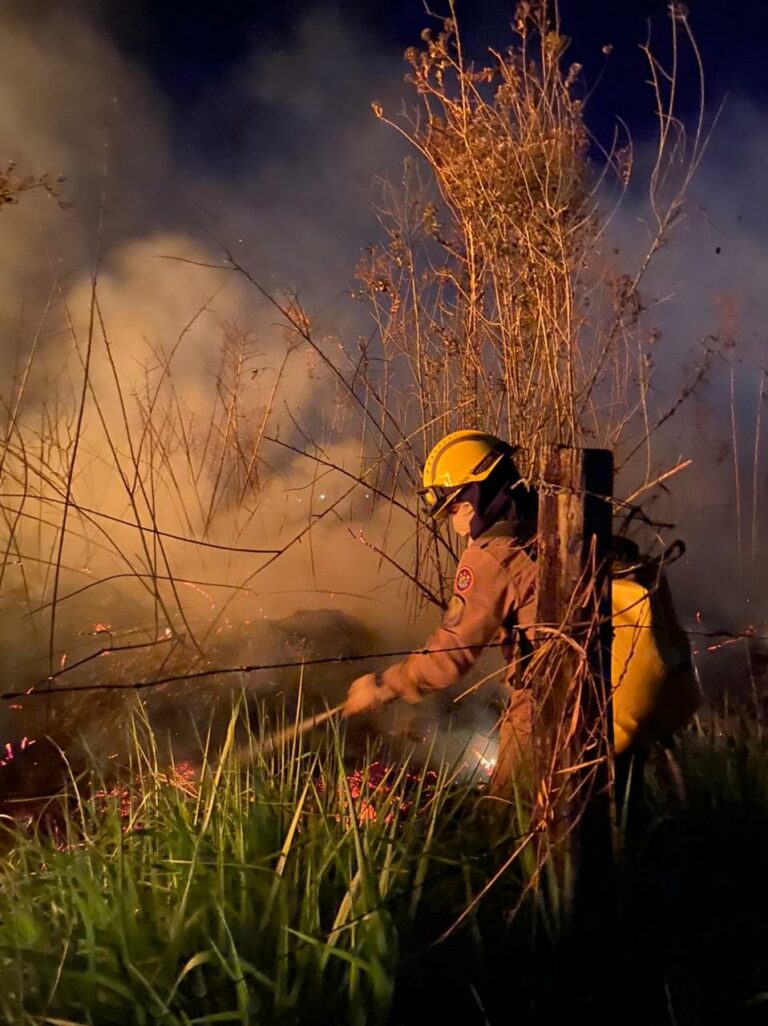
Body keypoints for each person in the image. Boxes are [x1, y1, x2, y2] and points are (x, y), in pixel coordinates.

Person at [344, 429, 700, 794]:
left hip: (551, 701)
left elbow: (449, 657)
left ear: (472, 498)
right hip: (617, 695)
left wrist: (383, 686)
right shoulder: (561, 528)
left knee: (508, 821)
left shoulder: (493, 554)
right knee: (613, 818)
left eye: (452, 507)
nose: (454, 521)